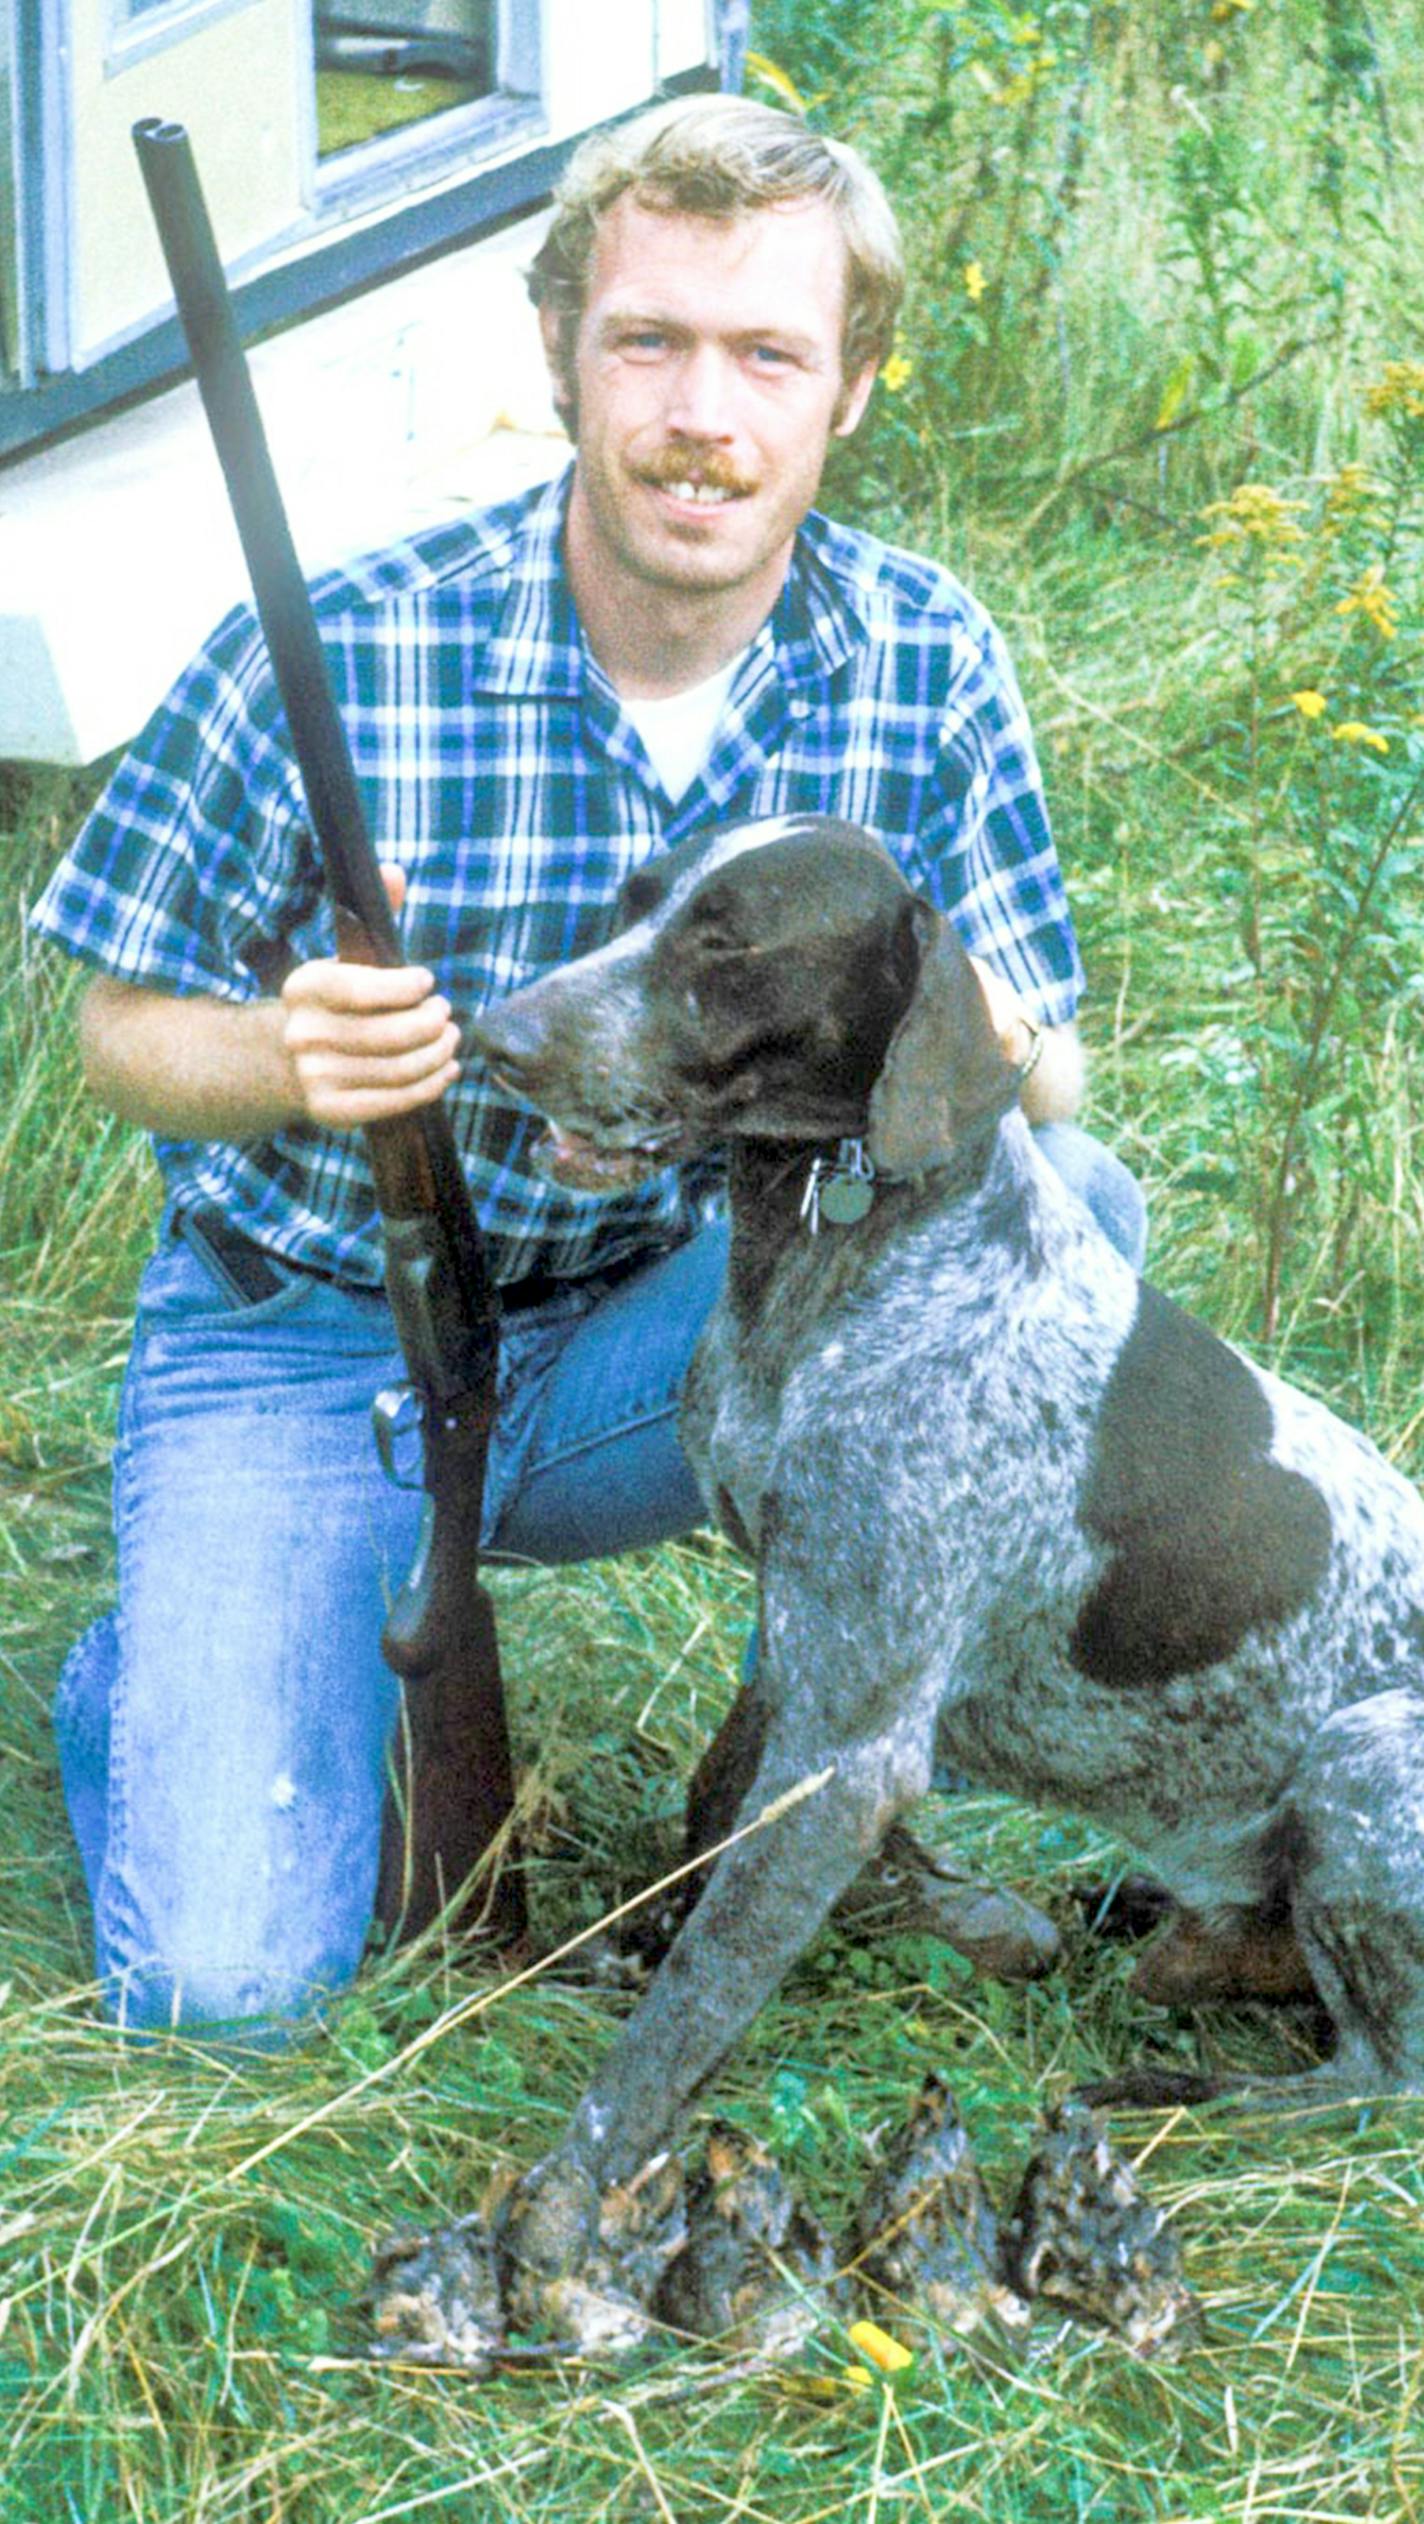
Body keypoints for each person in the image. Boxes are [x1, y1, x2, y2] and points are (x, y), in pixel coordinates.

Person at [31, 95, 1147, 2042]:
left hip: (671, 1325)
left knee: (1074, 1221)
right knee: (221, 1996)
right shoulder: (346, 639)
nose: (698, 411)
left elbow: (1036, 1072)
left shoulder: (924, 658)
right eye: (647, 340)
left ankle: (813, 1790)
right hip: (313, 1338)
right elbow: (113, 1029)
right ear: (560, 353)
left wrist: (997, 1051)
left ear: (851, 392)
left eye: (765, 355)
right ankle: (167, 1667)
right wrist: (290, 1054)